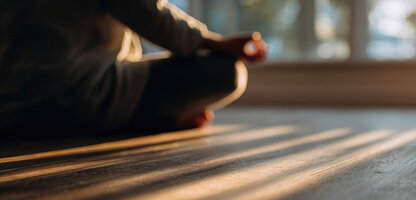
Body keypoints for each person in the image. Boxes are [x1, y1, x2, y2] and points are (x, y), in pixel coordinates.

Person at [0, 0, 268, 135]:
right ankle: (138, 121)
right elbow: (146, 13)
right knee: (227, 72)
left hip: (11, 103)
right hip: (80, 92)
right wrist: (215, 43)